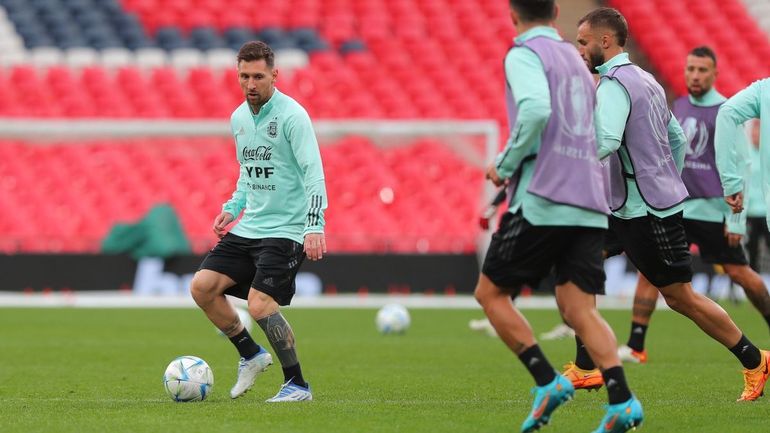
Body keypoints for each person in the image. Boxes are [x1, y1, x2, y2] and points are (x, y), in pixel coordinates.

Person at [569, 7, 769, 402]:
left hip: (646, 212)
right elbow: (675, 139)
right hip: (630, 205)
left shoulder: (614, 86)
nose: (579, 51)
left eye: (583, 42)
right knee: (577, 264)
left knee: (680, 297)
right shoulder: (648, 80)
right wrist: (664, 179)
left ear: (604, 41)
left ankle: (754, 359)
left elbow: (606, 141)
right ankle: (586, 366)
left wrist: (566, 163)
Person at [476, 2, 642, 432]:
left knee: (491, 294)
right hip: (589, 197)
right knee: (578, 307)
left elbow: (533, 111)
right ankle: (622, 401)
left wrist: (505, 164)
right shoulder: (575, 56)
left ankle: (546, 380)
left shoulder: (524, 54)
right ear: (554, 13)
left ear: (513, 14)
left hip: (545, 195)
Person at [189, 41, 327, 403]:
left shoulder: (293, 116)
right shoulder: (238, 119)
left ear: (274, 76)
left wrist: (315, 224)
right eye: (244, 76)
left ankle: (297, 385)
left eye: (258, 76)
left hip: (286, 228)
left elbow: (314, 172)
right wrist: (233, 207)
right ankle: (251, 354)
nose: (251, 83)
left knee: (260, 304)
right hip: (250, 227)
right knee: (202, 287)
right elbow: (248, 173)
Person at [615, 47, 770, 365]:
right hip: (679, 207)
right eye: (690, 69)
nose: (695, 75)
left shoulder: (728, 109)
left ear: (714, 74)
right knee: (651, 273)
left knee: (739, 272)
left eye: (702, 70)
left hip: (714, 210)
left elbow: (743, 165)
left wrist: (736, 220)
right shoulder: (680, 106)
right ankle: (635, 344)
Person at [745, 120, 770, 273]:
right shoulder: (745, 153)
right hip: (751, 212)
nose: (755, 136)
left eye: (759, 132)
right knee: (752, 251)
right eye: (753, 132)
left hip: (767, 212)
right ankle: (754, 290)